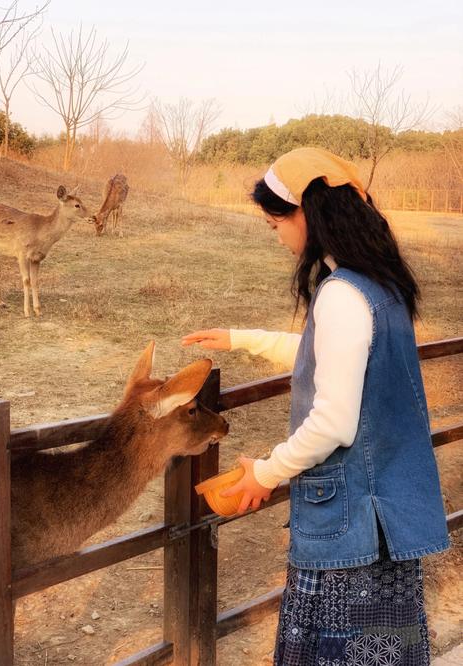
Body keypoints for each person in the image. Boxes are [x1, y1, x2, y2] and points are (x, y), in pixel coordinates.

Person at [182, 147, 449, 665]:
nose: (277, 236)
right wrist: (241, 337)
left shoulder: (342, 295)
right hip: (383, 519)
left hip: (353, 527)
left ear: (305, 213)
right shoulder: (378, 286)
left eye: (273, 223)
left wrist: (266, 472)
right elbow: (328, 357)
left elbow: (333, 420)